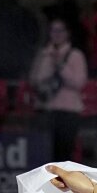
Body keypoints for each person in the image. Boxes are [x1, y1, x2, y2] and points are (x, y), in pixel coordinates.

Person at [29, 17, 88, 161]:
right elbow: (34, 79)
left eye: (60, 30)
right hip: (47, 109)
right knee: (45, 153)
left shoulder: (76, 55)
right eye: (53, 30)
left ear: (67, 33)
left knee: (64, 153)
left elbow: (79, 82)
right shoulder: (43, 54)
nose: (56, 34)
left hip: (68, 112)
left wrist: (61, 65)